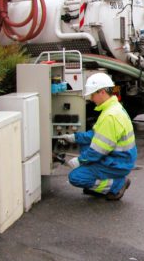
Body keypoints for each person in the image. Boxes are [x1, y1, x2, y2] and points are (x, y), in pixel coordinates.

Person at [59, 73, 137, 201]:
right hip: (121, 158)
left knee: (76, 177)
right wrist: (75, 137)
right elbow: (95, 135)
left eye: (92, 94)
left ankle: (117, 185)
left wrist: (80, 161)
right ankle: (106, 181)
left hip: (117, 163)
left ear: (102, 92)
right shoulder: (113, 108)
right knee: (85, 144)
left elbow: (97, 151)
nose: (91, 98)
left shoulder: (110, 117)